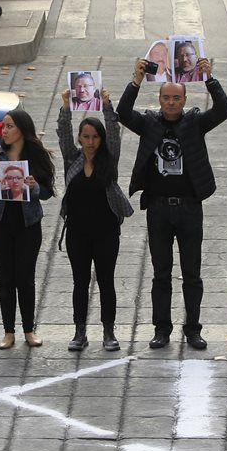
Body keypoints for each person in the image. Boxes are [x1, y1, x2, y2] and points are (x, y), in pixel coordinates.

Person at [118, 56, 227, 350]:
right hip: (158, 208)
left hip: (190, 207)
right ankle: (162, 329)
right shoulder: (149, 123)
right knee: (160, 273)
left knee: (192, 273)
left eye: (176, 98)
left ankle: (193, 329)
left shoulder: (194, 122)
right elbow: (122, 113)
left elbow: (223, 111)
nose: (171, 103)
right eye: (166, 98)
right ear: (159, 99)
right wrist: (135, 81)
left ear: (184, 99)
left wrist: (210, 79)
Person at [57, 87, 132, 351]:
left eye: (94, 137)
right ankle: (80, 332)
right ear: (80, 138)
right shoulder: (72, 159)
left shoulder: (109, 160)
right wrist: (66, 106)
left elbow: (114, 131)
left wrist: (107, 105)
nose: (90, 142)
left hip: (106, 232)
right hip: (77, 232)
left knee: (106, 280)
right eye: (85, 137)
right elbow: (63, 134)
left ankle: (109, 332)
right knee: (80, 282)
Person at [0, 110, 55, 349]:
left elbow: (47, 191)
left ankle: (29, 330)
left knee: (26, 278)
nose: (5, 131)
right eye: (4, 126)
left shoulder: (35, 155)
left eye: (10, 126)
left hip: (28, 224)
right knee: (5, 278)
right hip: (0, 223)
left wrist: (33, 187)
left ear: (22, 129)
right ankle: (8, 331)